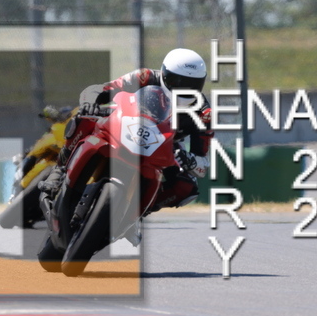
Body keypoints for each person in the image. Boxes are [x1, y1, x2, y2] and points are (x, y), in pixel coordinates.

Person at [39, 48, 213, 212]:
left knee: (187, 187)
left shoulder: (204, 113)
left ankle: (137, 211)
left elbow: (203, 164)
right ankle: (60, 170)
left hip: (164, 145)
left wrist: (190, 160)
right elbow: (99, 89)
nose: (184, 88)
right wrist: (90, 103)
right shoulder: (144, 77)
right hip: (125, 120)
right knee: (83, 118)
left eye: (192, 84)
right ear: (164, 74)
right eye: (177, 81)